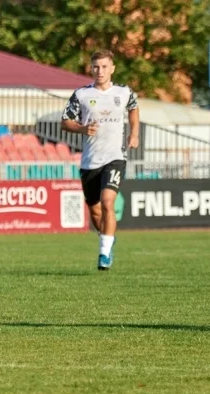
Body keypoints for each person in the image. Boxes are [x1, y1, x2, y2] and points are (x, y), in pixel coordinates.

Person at [61, 50, 140, 271]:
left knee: (107, 202)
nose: (100, 71)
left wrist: (134, 133)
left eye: (104, 66)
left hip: (115, 157)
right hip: (90, 161)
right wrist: (83, 128)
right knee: (95, 212)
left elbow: (134, 108)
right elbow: (65, 122)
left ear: (112, 68)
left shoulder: (123, 92)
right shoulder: (81, 95)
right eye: (96, 66)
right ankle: (107, 238)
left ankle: (104, 254)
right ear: (91, 68)